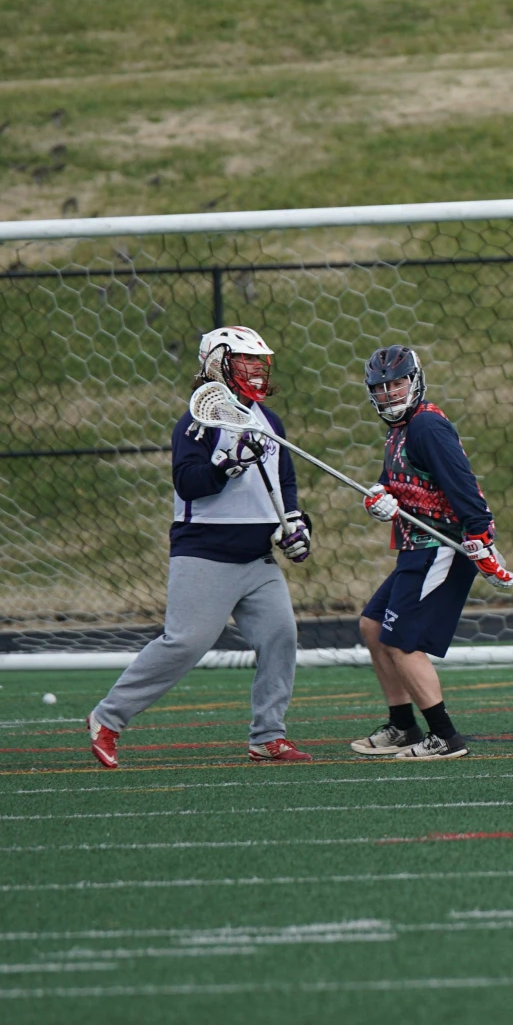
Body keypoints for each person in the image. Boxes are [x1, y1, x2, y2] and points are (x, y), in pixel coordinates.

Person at [87, 326, 312, 769]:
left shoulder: (269, 421)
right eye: (245, 360)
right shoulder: (197, 422)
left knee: (281, 635)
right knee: (185, 643)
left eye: (259, 361)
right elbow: (188, 483)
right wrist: (225, 465)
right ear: (217, 363)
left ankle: (268, 736)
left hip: (257, 557)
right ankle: (107, 718)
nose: (256, 369)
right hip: (206, 553)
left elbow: (284, 482)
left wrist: (296, 524)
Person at [348, 345, 510, 761]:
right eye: (380, 387)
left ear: (415, 381)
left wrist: (481, 539)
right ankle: (402, 725)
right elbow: (394, 482)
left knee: (402, 640)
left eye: (397, 383)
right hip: (415, 547)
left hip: (444, 545)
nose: (388, 393)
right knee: (372, 626)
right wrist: (380, 496)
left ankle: (445, 736)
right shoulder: (399, 430)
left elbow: (463, 486)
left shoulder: (427, 428)